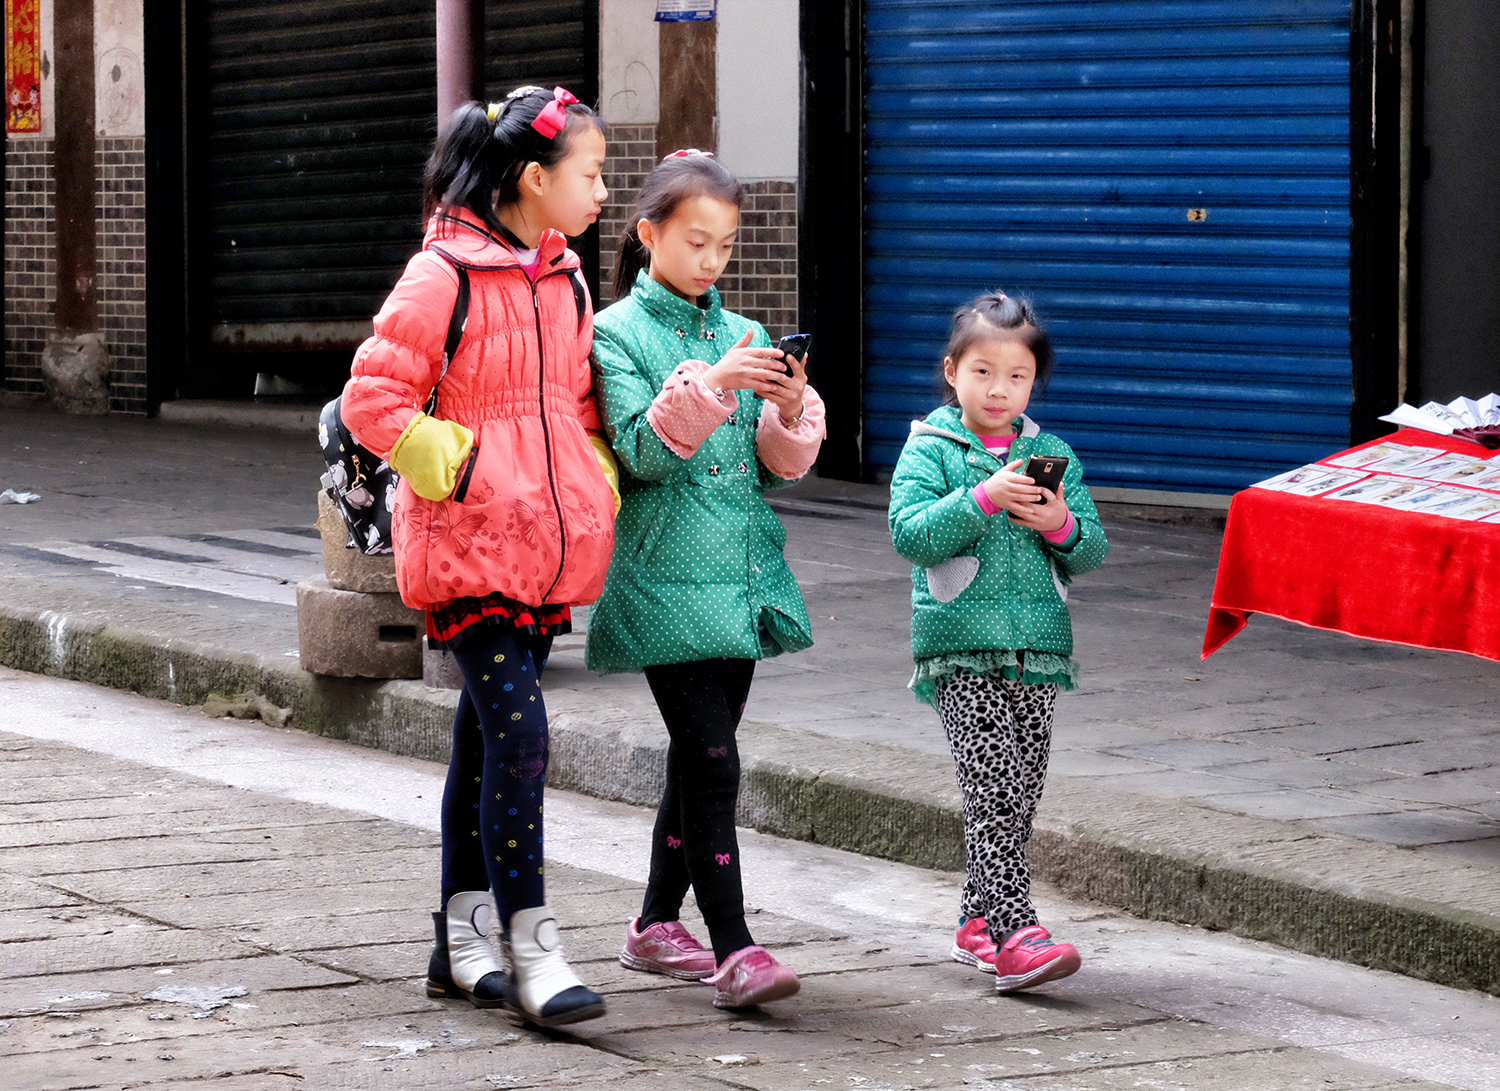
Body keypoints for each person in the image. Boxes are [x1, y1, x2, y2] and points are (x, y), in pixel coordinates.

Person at [340, 86, 620, 1028]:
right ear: (534, 179)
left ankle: (457, 944)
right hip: (465, 547)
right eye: (591, 175)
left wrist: (595, 478)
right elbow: (370, 400)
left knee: (484, 735)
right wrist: (455, 471)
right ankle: (530, 945)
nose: (602, 193)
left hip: (540, 546)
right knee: (524, 732)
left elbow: (575, 403)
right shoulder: (441, 275)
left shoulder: (567, 277)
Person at [584, 150, 826, 1009]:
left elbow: (778, 467)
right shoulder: (614, 333)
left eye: (725, 244)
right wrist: (714, 383)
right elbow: (642, 452)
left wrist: (791, 412)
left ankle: (655, 924)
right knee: (715, 760)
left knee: (698, 762)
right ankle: (737, 947)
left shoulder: (746, 334)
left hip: (743, 580)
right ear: (648, 235)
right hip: (661, 583)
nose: (713, 261)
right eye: (696, 241)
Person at [887, 292, 1108, 994]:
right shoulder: (930, 448)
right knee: (993, 790)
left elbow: (1092, 550)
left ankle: (975, 922)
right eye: (982, 372)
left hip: (1039, 650)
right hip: (960, 650)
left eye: (1016, 376)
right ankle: (1015, 931)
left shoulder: (1053, 453)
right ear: (952, 372)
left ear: (1033, 381)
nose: (998, 389)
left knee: (1020, 795)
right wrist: (983, 498)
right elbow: (911, 533)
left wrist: (1058, 520)